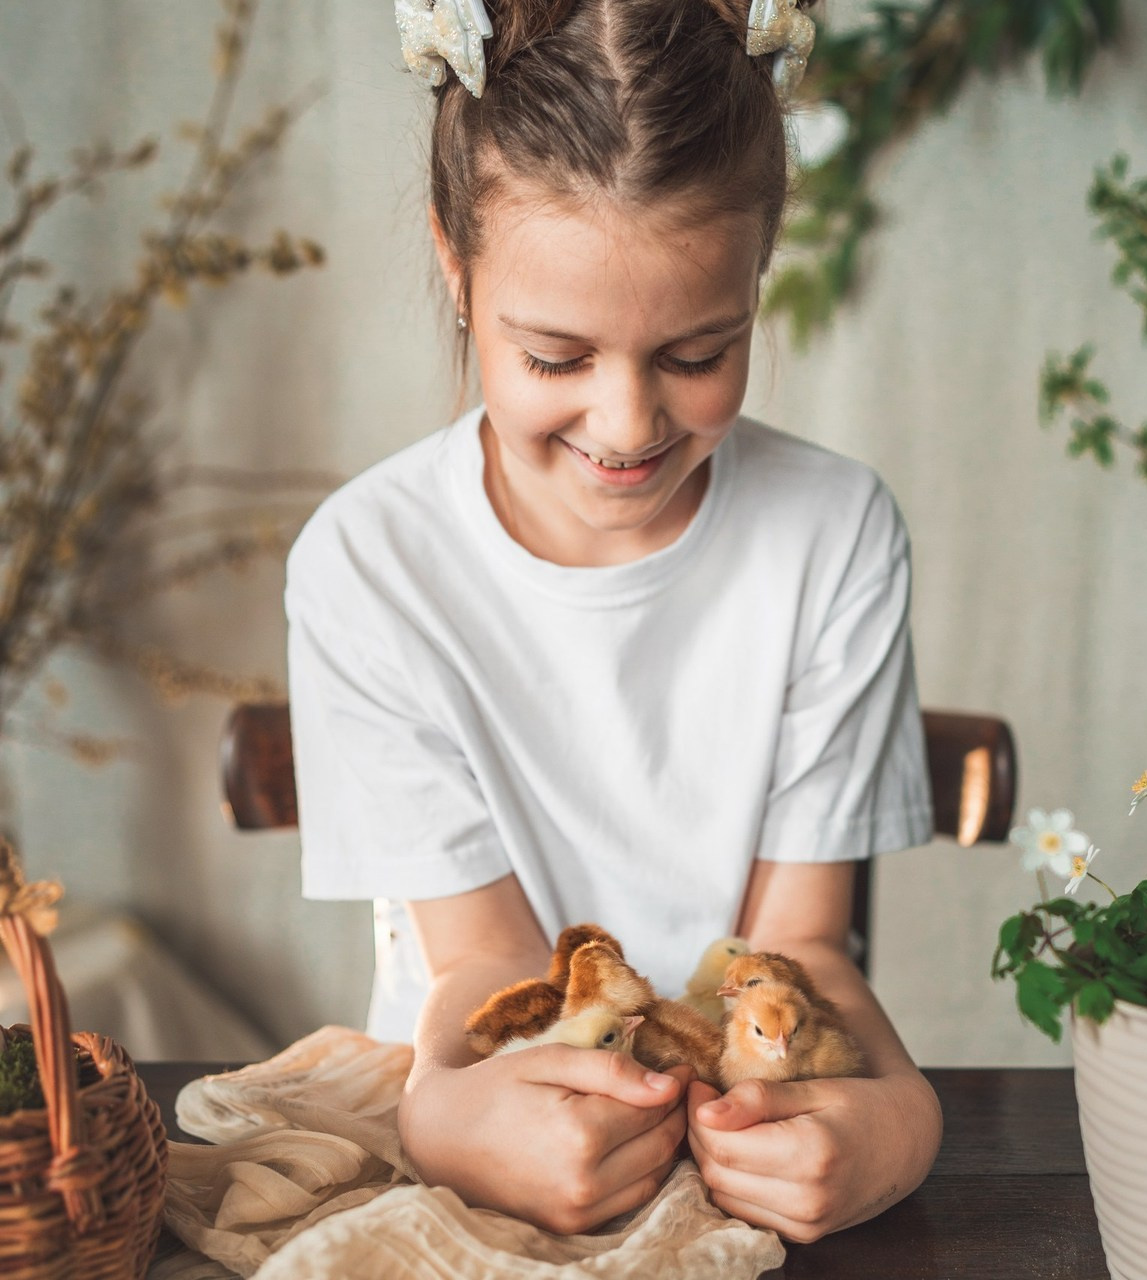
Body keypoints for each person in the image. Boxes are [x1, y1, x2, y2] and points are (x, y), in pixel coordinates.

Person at [285, 0, 942, 1244]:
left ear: (760, 270)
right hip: (491, 1106)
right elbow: (478, 974)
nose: (630, 421)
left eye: (699, 350)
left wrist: (900, 1116)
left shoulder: (834, 532)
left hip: (741, 1110)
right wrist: (447, 1120)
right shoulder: (369, 567)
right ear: (454, 264)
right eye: (555, 357)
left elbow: (799, 941)